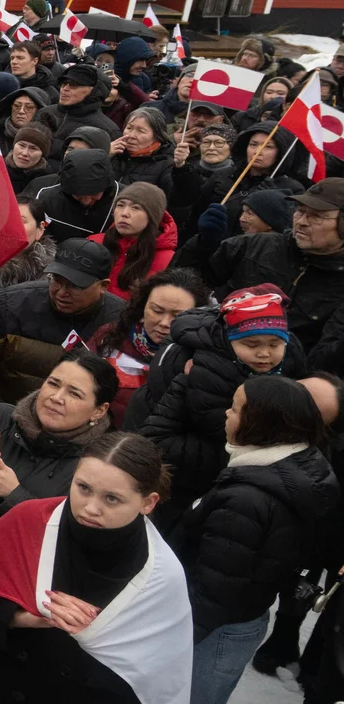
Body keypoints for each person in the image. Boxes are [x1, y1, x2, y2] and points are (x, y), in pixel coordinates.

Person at [0, 432, 192, 704]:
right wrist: (20, 617)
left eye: (111, 499)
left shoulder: (160, 576)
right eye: (83, 488)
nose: (91, 508)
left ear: (148, 503)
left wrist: (95, 640)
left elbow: (156, 679)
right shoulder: (27, 520)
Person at [172, 376, 339, 704]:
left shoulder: (247, 500)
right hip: (244, 618)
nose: (226, 413)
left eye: (235, 409)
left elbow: (215, 593)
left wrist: (171, 639)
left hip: (212, 632)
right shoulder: (297, 468)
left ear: (261, 423)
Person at [142, 285, 309, 529]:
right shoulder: (208, 370)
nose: (264, 353)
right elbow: (219, 427)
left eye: (275, 344)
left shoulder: (291, 360)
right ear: (231, 341)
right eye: (252, 344)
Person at [0, 239, 125, 436]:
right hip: (3, 429)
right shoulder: (10, 306)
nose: (61, 293)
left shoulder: (122, 323)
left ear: (103, 286)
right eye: (56, 280)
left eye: (75, 286)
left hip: (72, 442)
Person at [0, 350, 117, 540]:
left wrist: (14, 495)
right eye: (53, 383)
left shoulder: (96, 465)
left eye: (74, 394)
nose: (56, 397)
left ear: (99, 410)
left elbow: (69, 537)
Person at [202, 179, 344, 373]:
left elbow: (325, 362)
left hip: (283, 383)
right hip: (213, 364)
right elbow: (187, 286)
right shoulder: (251, 245)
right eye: (300, 211)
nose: (302, 222)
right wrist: (202, 245)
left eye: (317, 216)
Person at [90, 267, 211, 428]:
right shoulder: (109, 336)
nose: (164, 323)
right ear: (143, 306)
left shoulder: (198, 361)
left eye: (178, 316)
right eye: (157, 310)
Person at [88, 182, 177, 300]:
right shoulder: (93, 242)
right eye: (120, 205)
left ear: (152, 217)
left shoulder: (168, 260)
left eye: (136, 208)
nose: (124, 213)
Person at [33, 148, 119, 243]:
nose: (86, 201)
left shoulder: (124, 200)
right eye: (78, 195)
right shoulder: (47, 200)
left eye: (94, 194)